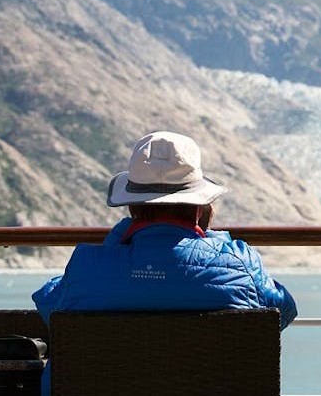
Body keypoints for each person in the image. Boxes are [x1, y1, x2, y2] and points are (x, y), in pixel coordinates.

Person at [34, 130, 298, 392]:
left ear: (132, 207)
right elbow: (283, 311)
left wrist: (115, 242)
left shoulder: (86, 265)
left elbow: (49, 304)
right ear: (200, 208)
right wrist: (214, 240)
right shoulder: (240, 263)